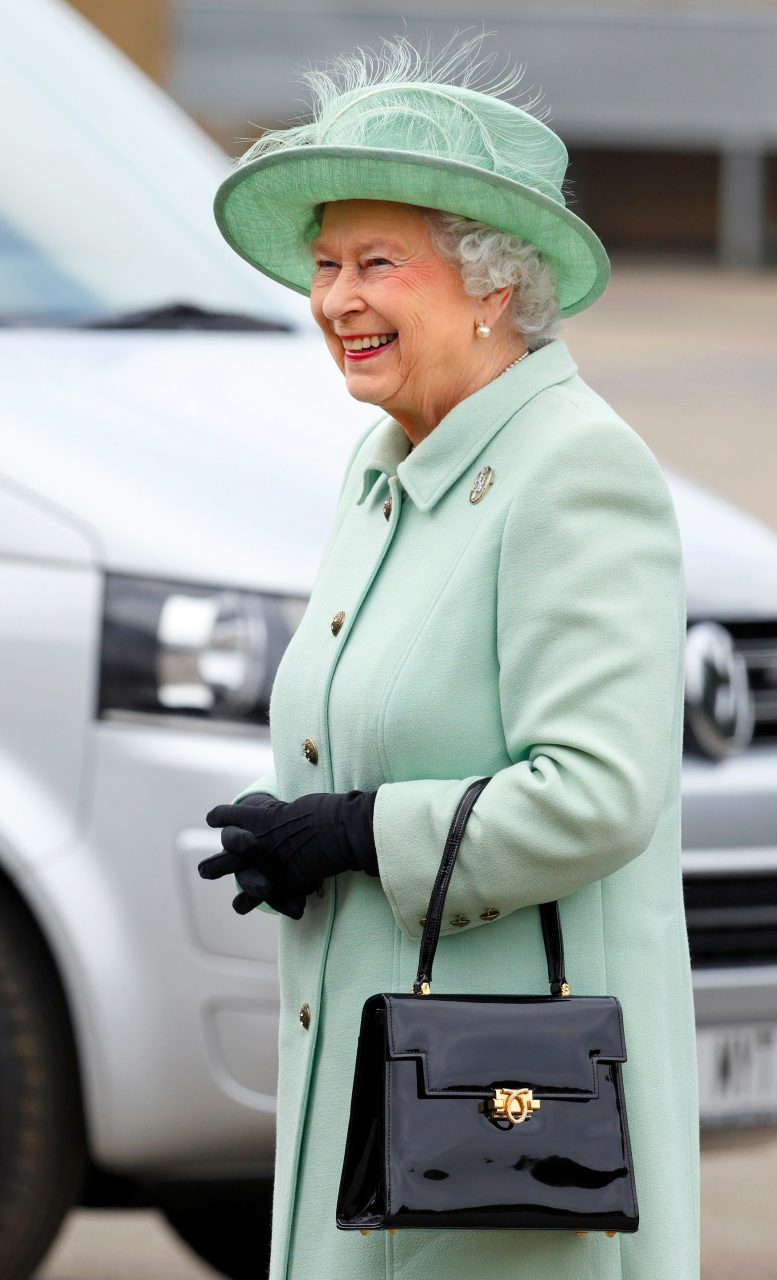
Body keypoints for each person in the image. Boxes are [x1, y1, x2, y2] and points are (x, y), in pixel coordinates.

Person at [198, 35, 699, 1280]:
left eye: (376, 263)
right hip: (380, 1116)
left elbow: (599, 789)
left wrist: (362, 831)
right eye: (324, 265)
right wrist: (297, 833)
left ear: (490, 283)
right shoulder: (383, 474)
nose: (335, 301)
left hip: (507, 1133)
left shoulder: (574, 467)